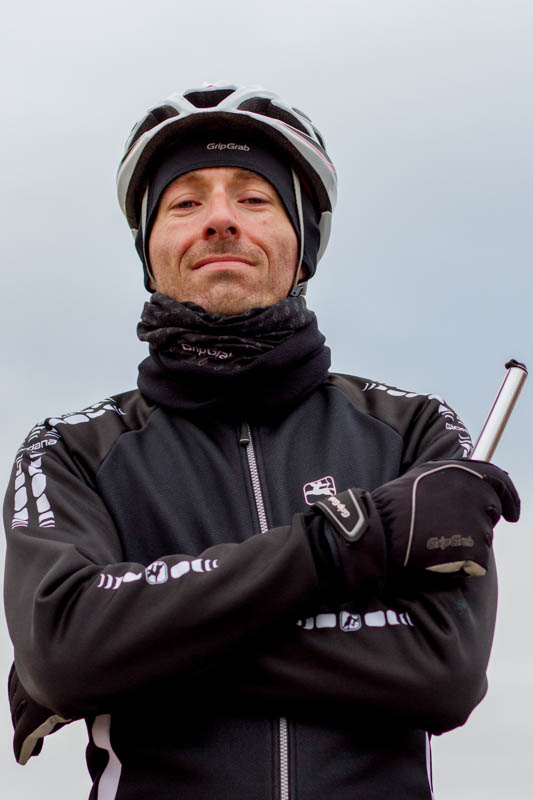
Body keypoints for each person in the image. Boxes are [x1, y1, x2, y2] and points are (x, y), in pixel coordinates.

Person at [3, 82, 520, 800]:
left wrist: (117, 644)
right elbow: (67, 650)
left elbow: (443, 672)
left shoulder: (414, 430)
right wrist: (345, 543)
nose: (219, 220)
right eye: (184, 202)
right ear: (148, 251)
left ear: (301, 246)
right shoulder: (70, 448)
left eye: (253, 199)